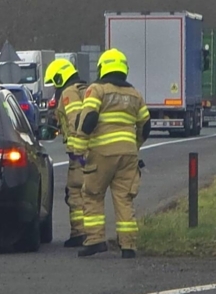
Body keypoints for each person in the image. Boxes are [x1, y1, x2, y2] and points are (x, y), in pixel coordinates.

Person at [74, 49, 150, 259]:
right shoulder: (135, 94)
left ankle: (95, 240)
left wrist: (79, 149)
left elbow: (88, 119)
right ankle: (128, 246)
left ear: (103, 67)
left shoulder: (97, 89)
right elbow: (145, 126)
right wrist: (135, 146)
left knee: (92, 194)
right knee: (124, 198)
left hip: (102, 153)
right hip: (128, 155)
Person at [44, 58, 88, 247]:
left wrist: (77, 151)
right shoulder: (86, 90)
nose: (55, 87)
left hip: (79, 153)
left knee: (75, 192)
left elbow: (75, 121)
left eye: (55, 82)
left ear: (61, 78)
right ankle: (93, 234)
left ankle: (80, 233)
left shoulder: (69, 94)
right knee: (91, 194)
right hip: (93, 150)